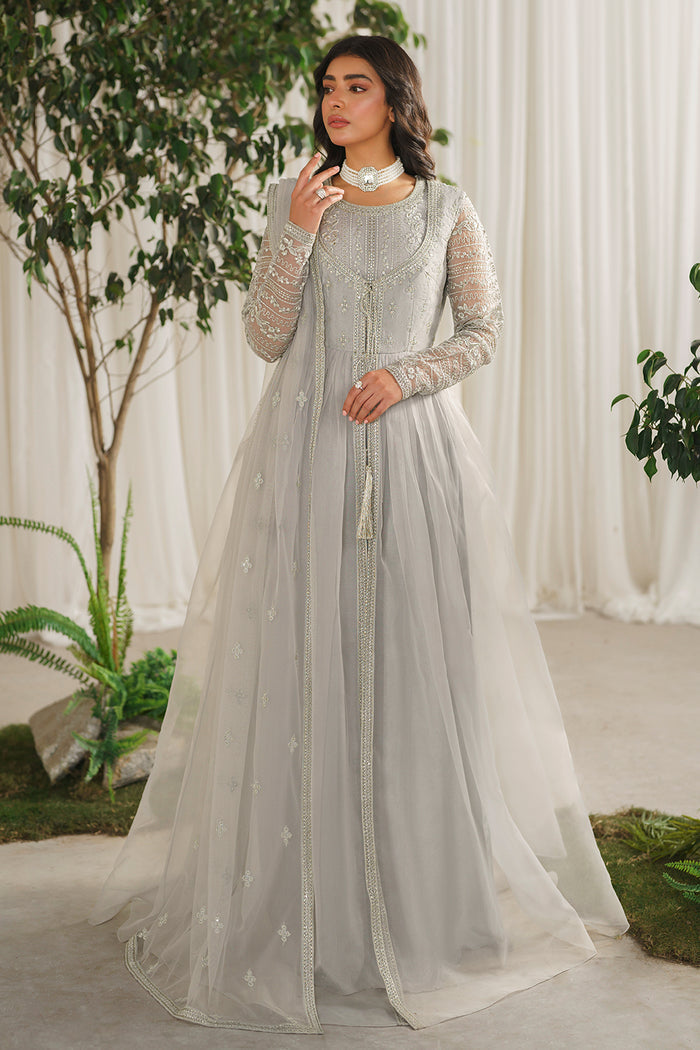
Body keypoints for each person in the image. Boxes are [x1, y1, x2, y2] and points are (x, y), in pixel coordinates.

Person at [89, 34, 628, 1033]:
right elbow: (265, 337)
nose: (336, 101)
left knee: (419, 670)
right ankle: (310, 915)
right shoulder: (298, 197)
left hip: (417, 466)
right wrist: (296, 231)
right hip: (307, 459)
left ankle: (427, 909)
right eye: (327, 87)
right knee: (311, 666)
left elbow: (483, 331)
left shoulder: (447, 206)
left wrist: (403, 376)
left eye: (356, 85)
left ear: (394, 99)